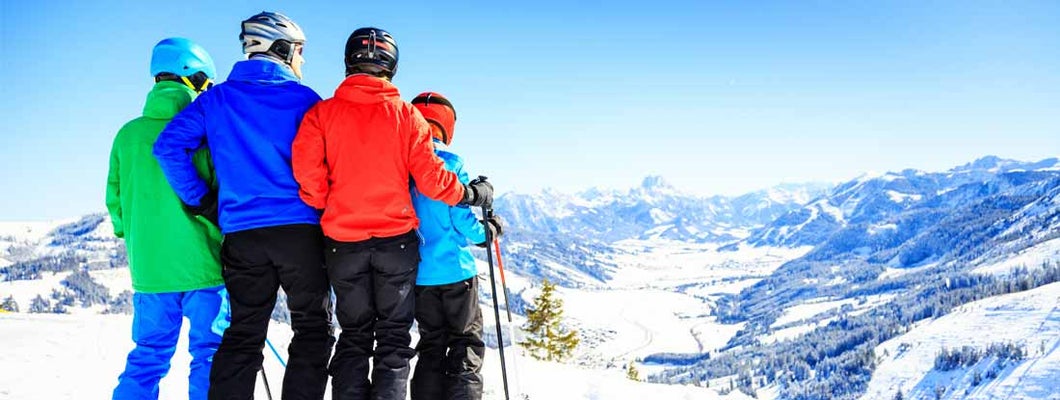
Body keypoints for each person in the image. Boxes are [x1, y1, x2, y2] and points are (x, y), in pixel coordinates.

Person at [291, 27, 494, 400]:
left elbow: (307, 173)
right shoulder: (406, 117)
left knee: (354, 336)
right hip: (395, 244)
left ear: (349, 61)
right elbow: (433, 182)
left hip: (342, 241)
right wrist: (468, 194)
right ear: (392, 66)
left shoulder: (322, 114)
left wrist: (329, 202)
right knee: (393, 339)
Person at [153, 11, 333, 400]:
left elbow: (167, 147)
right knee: (313, 330)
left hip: (242, 237)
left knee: (242, 335)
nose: (302, 60)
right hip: (299, 233)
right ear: (281, 49)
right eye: (299, 51)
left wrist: (202, 200)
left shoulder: (216, 100)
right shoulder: (307, 101)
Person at [107, 37, 226, 400]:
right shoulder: (204, 131)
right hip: (205, 267)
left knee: (148, 357)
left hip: (151, 270)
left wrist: (135, 234)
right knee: (209, 354)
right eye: (205, 82)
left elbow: (115, 203)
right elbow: (222, 191)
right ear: (194, 75)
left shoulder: (127, 136)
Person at [407, 92, 501, 400]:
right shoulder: (450, 163)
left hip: (419, 276)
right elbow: (462, 220)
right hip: (456, 272)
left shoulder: (403, 163)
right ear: (447, 126)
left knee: (431, 346)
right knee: (465, 344)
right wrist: (487, 232)